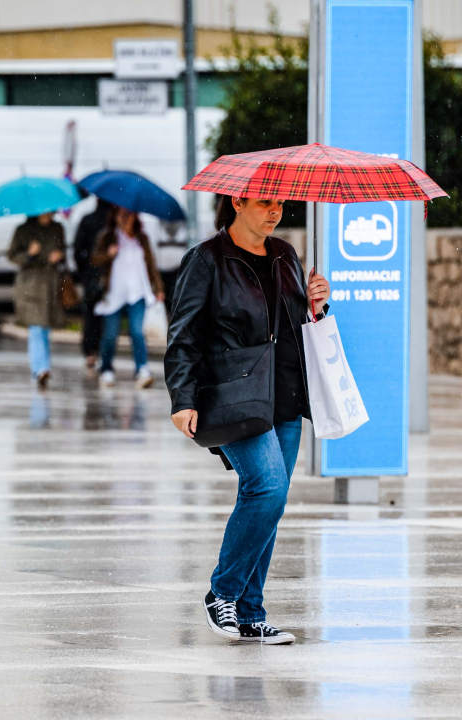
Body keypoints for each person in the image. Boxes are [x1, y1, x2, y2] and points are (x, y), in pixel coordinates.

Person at [164, 195, 330, 645]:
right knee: (268, 489)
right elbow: (183, 335)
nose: (275, 211)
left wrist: (316, 305)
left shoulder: (285, 255)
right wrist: (183, 398)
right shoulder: (207, 259)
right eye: (264, 202)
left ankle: (251, 613)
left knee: (269, 503)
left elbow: (293, 325)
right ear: (237, 201)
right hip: (233, 396)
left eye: (280, 203)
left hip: (285, 395)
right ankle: (223, 593)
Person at [90, 206, 165, 389]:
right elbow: (94, 259)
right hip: (114, 294)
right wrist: (108, 254)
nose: (125, 218)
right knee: (110, 335)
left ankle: (142, 369)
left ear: (135, 217)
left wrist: (158, 288)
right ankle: (106, 369)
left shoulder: (142, 238)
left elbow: (151, 265)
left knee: (137, 332)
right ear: (114, 216)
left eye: (128, 215)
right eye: (121, 214)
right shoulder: (107, 237)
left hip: (137, 293)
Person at [7, 212, 66, 390]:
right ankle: (40, 369)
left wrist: (59, 256)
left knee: (45, 327)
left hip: (50, 284)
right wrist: (29, 254)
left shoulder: (57, 228)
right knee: (36, 327)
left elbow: (64, 252)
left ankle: (42, 368)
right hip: (30, 285)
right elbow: (12, 255)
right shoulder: (23, 230)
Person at [73, 197, 113, 370]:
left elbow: (77, 249)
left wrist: (84, 270)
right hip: (110, 275)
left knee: (90, 315)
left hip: (90, 275)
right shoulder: (113, 223)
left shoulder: (87, 220)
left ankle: (90, 351)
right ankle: (104, 353)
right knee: (107, 315)